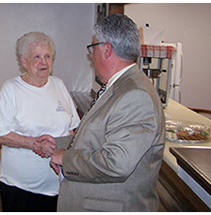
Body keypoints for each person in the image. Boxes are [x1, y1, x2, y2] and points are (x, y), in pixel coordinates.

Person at [49, 14, 165, 212]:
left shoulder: (135, 94)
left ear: (107, 49)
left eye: (93, 48)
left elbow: (116, 163)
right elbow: (98, 138)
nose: (91, 56)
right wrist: (55, 145)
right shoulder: (120, 87)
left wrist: (65, 159)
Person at [0, 31, 80, 212]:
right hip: (21, 187)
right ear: (24, 61)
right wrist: (35, 144)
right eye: (36, 57)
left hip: (59, 184)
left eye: (47, 56)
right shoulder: (11, 89)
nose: (43, 62)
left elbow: (71, 129)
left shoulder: (59, 84)